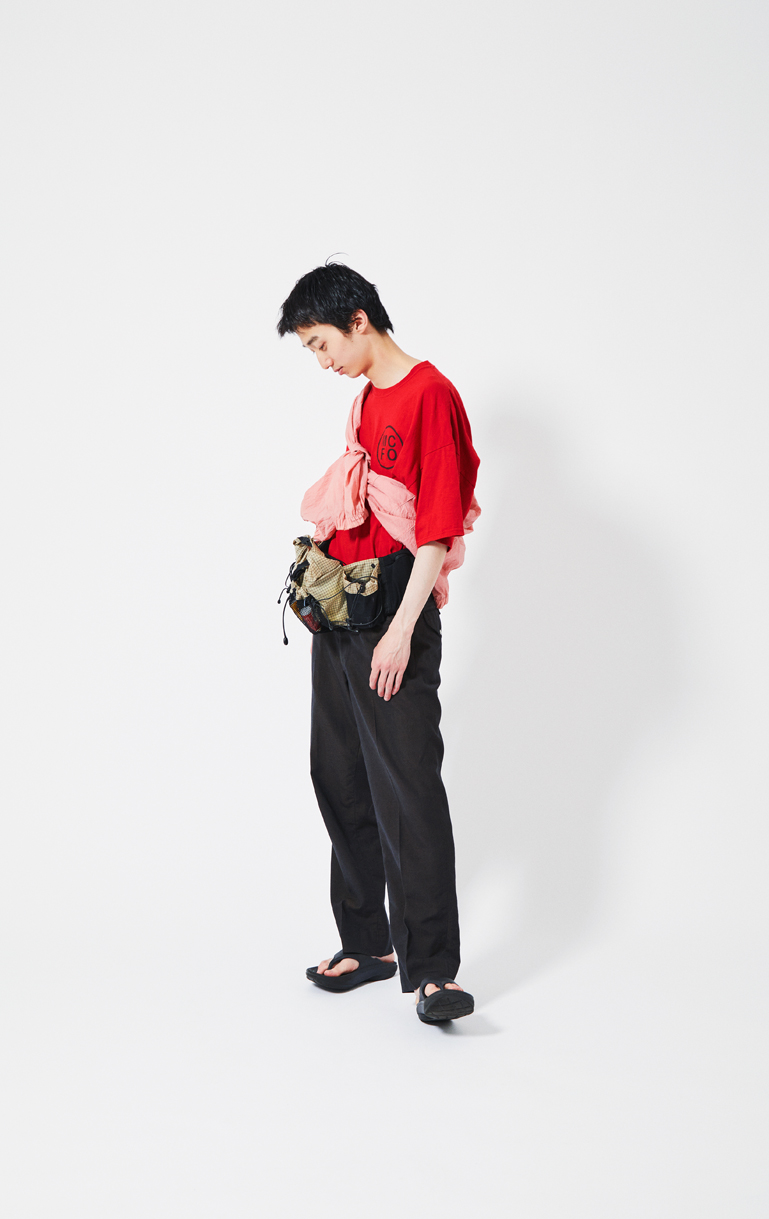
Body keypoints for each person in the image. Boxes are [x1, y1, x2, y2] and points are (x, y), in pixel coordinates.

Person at [277, 263, 480, 1024]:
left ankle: (434, 972)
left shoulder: (430, 394)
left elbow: (437, 528)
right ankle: (368, 943)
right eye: (310, 349)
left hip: (395, 605)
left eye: (321, 343)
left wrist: (400, 632)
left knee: (407, 787)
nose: (321, 360)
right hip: (345, 601)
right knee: (338, 774)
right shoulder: (365, 397)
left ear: (357, 320)